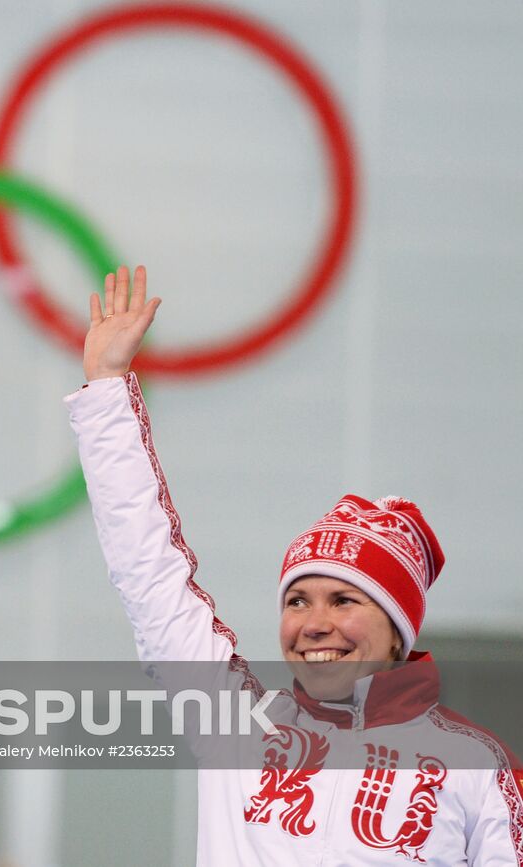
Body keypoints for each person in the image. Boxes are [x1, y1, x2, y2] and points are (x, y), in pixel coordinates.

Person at [67, 265, 523, 864]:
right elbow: (148, 573)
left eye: (344, 600)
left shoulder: (475, 768)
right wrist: (105, 390)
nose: (314, 623)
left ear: (397, 628)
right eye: (297, 600)